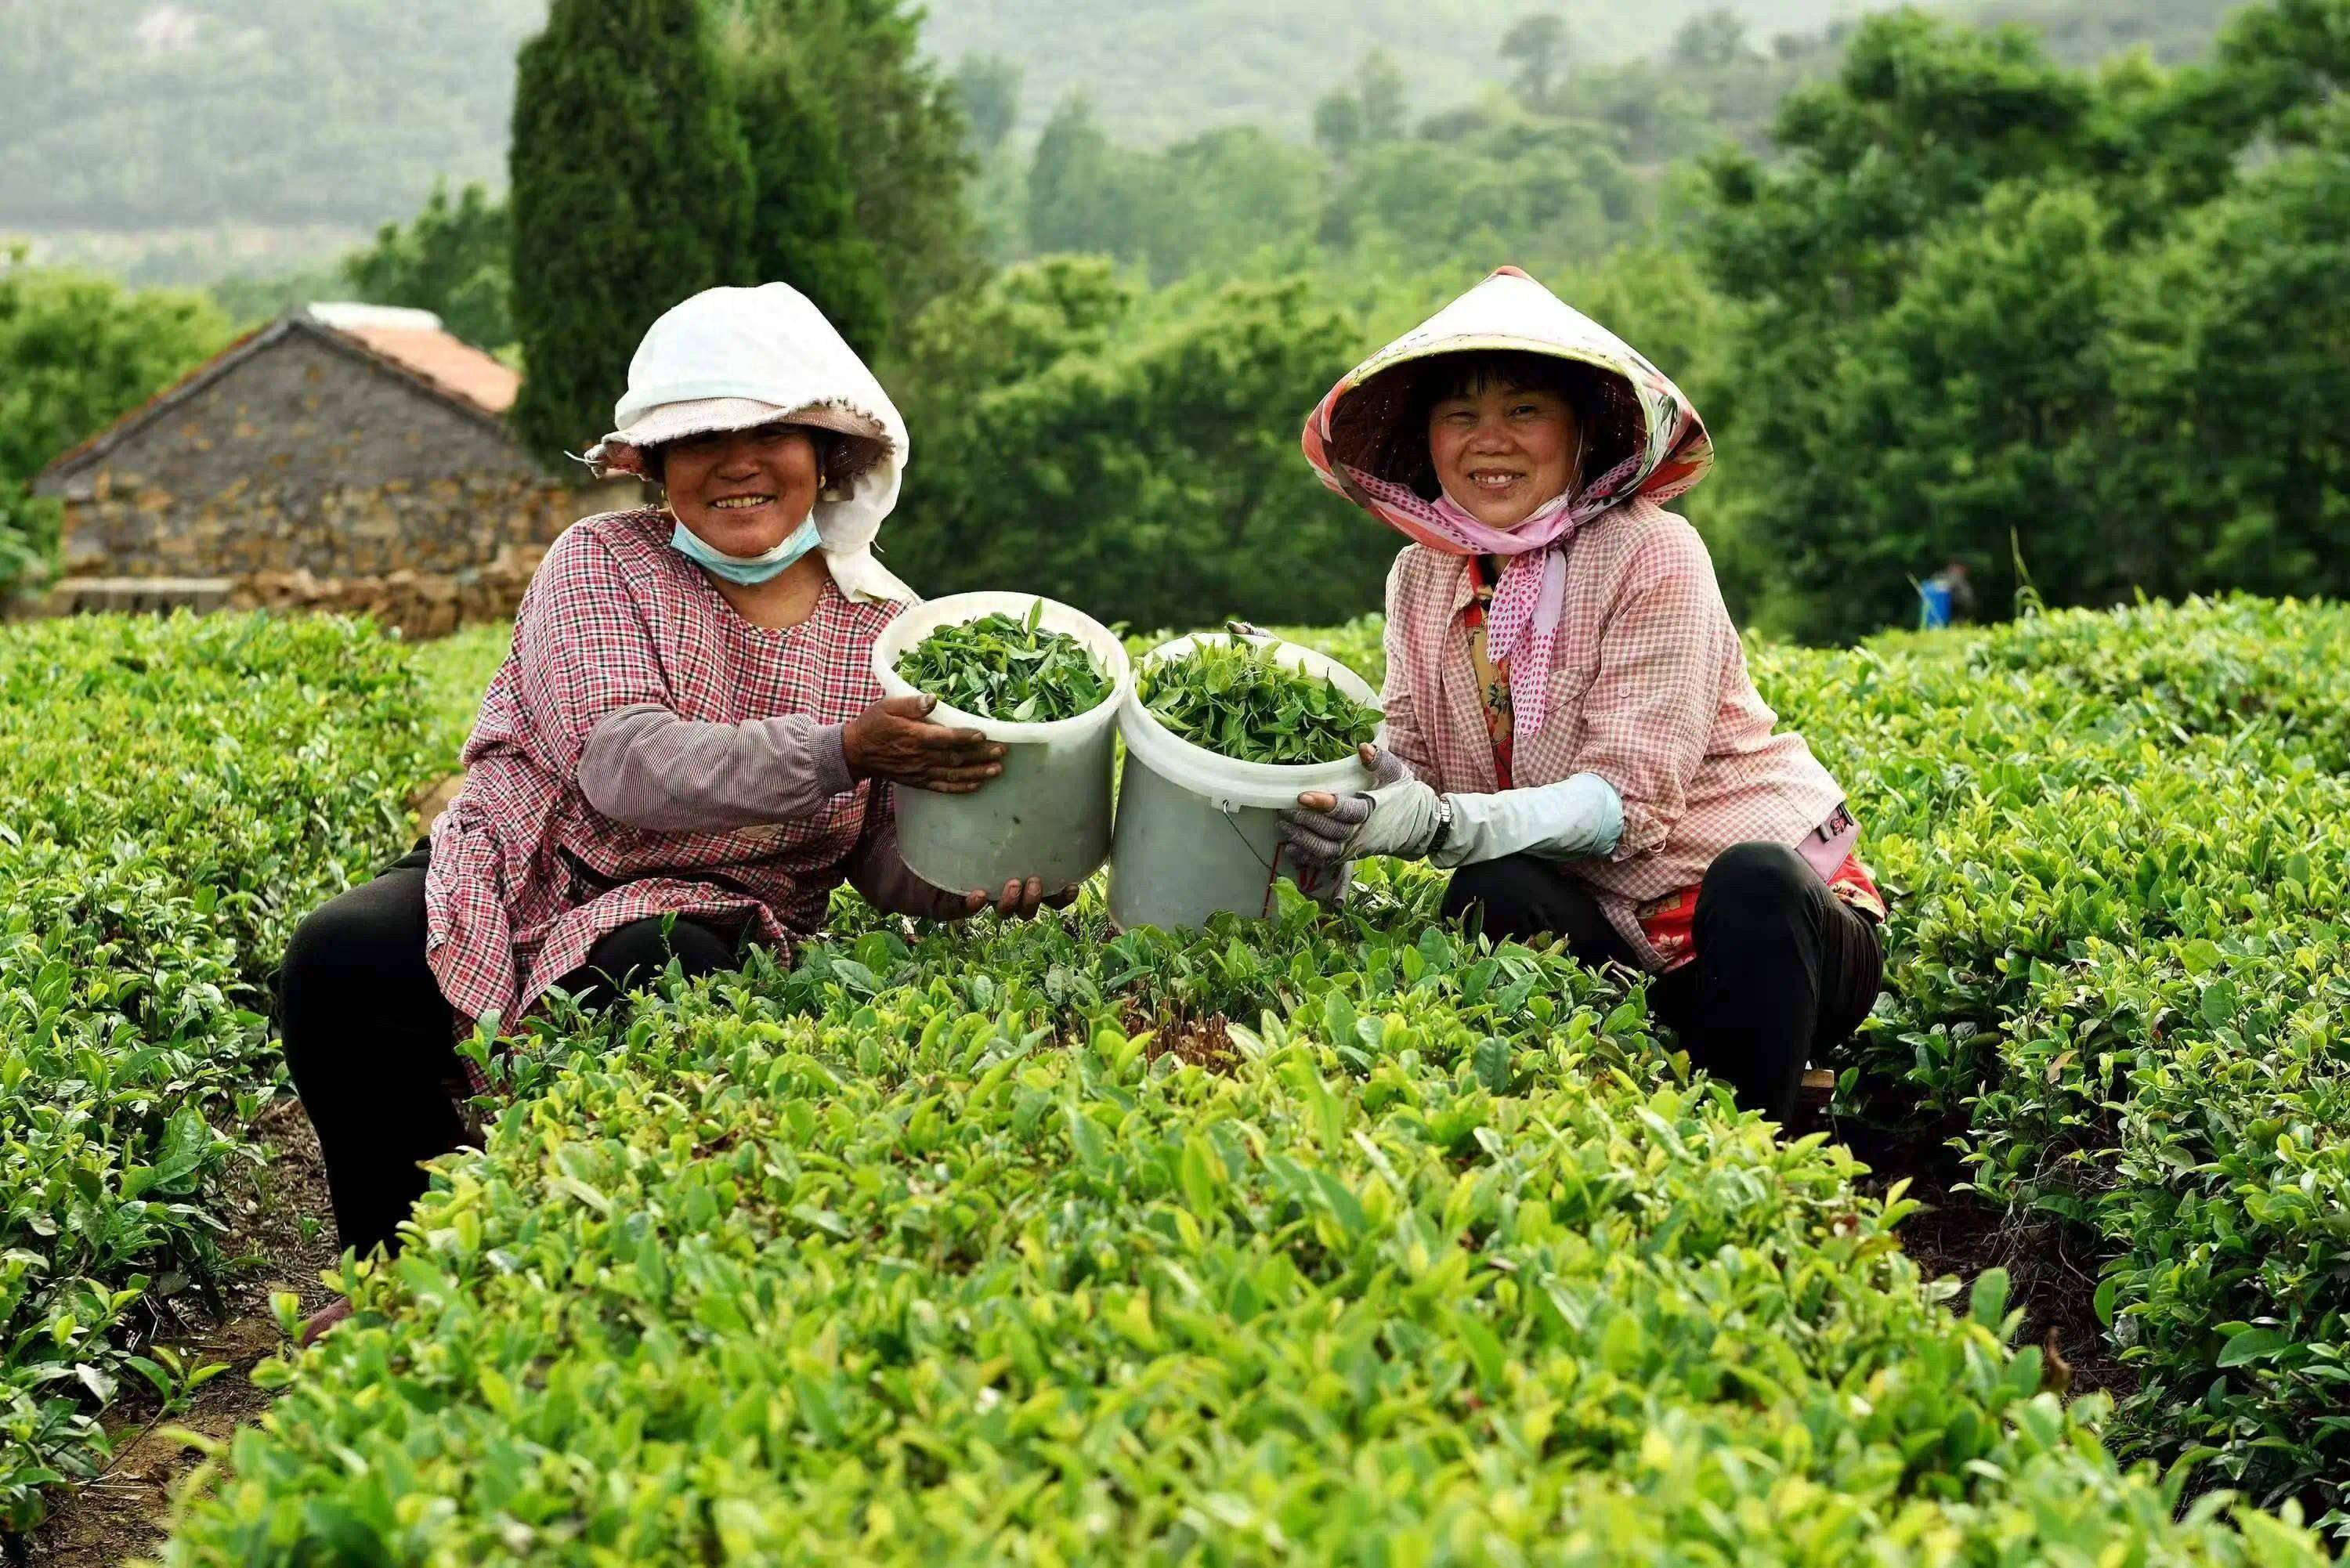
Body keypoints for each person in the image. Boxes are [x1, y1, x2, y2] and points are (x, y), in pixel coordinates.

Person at [275, 284, 1067, 1324]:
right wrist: (841, 747)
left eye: (771, 431)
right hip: (524, 864)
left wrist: (971, 873)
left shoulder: (891, 629)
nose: (739, 461)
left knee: (647, 970)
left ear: (828, 453)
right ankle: (395, 1268)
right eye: (700, 438)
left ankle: (557, 1261)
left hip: (714, 907)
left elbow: (882, 854)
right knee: (342, 956)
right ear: (652, 465)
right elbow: (625, 766)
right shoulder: (600, 563)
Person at [1281, 266, 1885, 1123]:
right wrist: (1327, 807)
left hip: (1778, 939)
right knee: (1490, 888)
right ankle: (1600, 1109)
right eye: (1462, 415)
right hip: (1615, 931)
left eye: (1524, 411)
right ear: (1429, 440)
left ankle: (1759, 1149)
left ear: (1579, 432)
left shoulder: (1653, 553)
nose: (1490, 440)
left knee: (1755, 883)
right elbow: (1405, 751)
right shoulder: (1420, 577)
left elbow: (1623, 806)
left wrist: (1443, 823)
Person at [1918, 559, 1976, 629]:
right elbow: (1967, 600)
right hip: (1956, 614)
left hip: (1950, 613)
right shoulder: (1955, 578)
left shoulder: (1940, 578)